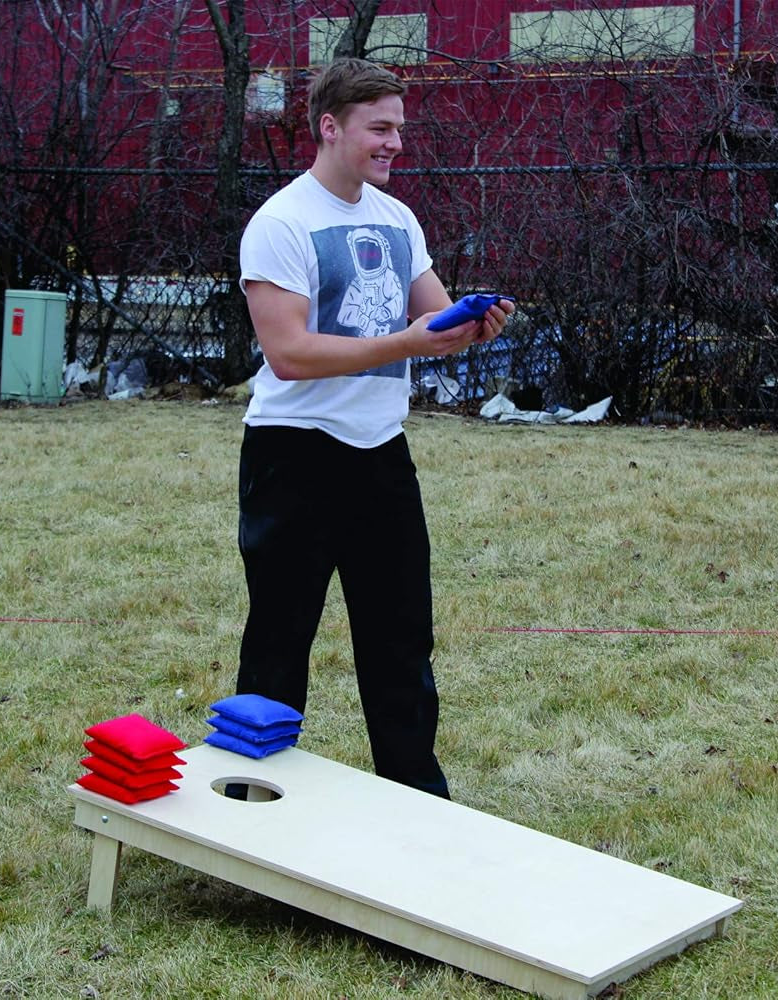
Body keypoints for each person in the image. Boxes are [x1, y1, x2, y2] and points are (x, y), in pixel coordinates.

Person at [233, 57, 513, 799]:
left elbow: (433, 314)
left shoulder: (396, 218)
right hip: (293, 457)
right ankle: (250, 802)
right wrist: (409, 342)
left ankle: (418, 804)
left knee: (400, 641)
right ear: (331, 127)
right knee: (279, 641)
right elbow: (289, 354)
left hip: (380, 455)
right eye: (379, 128)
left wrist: (471, 326)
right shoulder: (282, 222)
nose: (395, 144)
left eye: (399, 129)